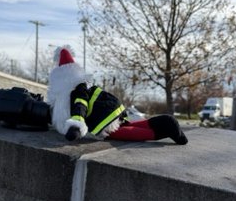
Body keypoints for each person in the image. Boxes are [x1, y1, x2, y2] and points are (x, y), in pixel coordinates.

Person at [47, 46, 188, 144]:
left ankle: (164, 130)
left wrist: (76, 126)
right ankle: (163, 122)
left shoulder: (75, 89)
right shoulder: (67, 93)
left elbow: (80, 104)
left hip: (104, 113)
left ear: (61, 80)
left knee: (118, 133)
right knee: (124, 126)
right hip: (108, 109)